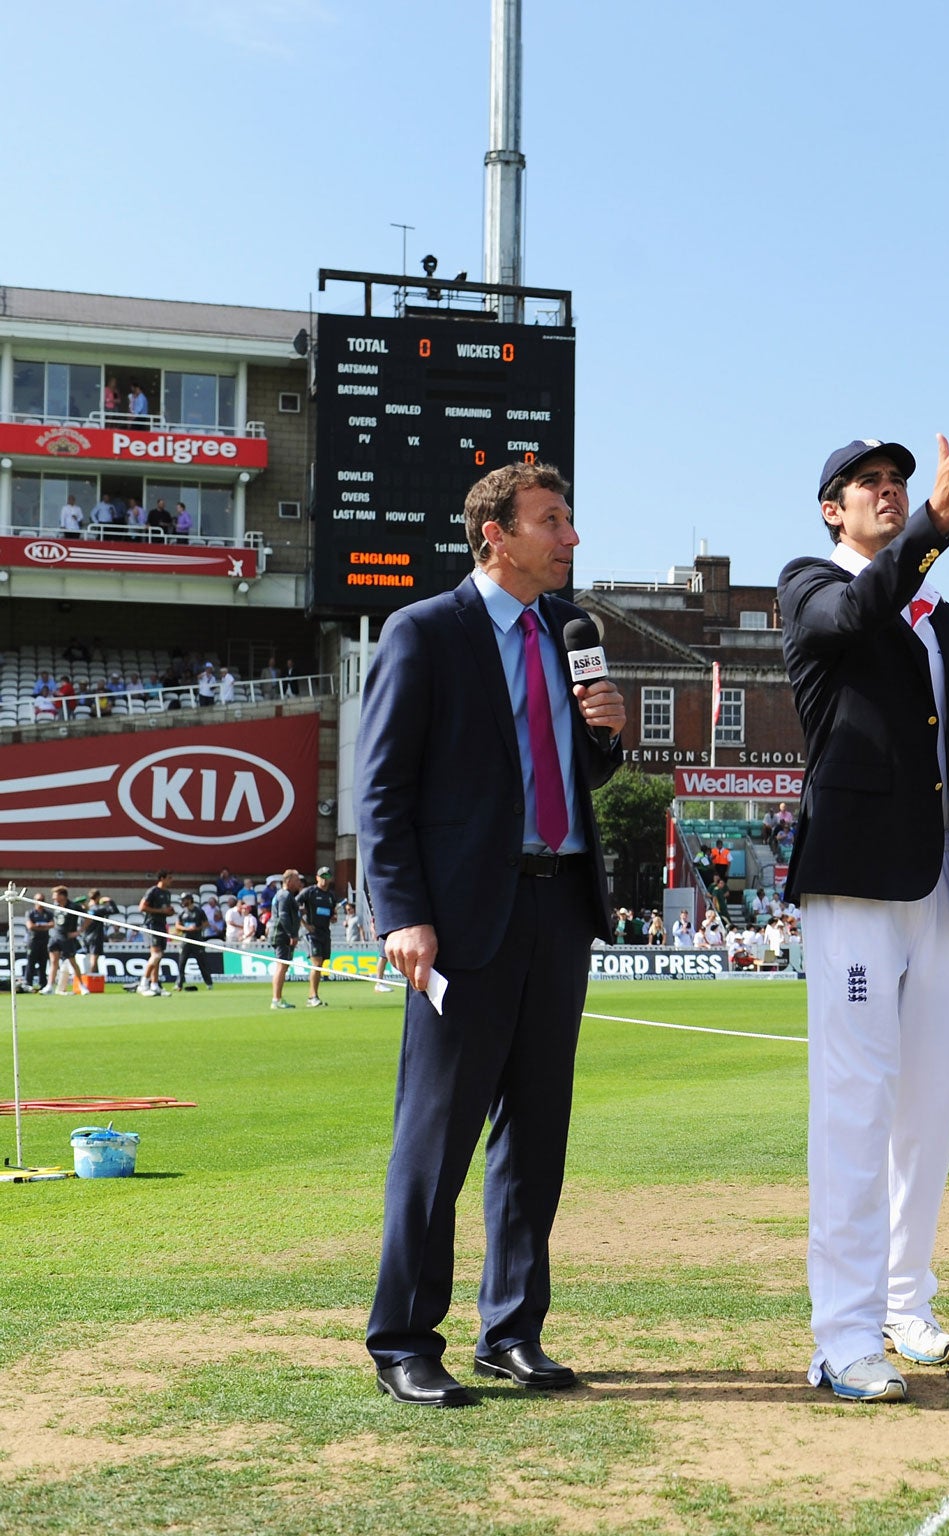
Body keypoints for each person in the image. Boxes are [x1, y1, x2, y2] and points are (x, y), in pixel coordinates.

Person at [357, 462, 624, 1408]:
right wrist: (402, 913)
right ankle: (401, 1340)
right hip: (461, 921)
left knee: (535, 1138)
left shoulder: (569, 634)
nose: (571, 538)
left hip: (559, 910)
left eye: (570, 520)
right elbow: (381, 791)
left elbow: (578, 771)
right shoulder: (423, 633)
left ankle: (510, 1330)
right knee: (436, 1139)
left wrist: (609, 733)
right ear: (495, 536)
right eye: (553, 521)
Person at [777, 434, 949, 1403]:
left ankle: (905, 1302)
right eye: (868, 485)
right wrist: (938, 524)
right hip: (856, 878)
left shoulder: (938, 615)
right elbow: (859, 609)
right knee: (854, 1104)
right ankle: (840, 1335)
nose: (888, 493)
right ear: (832, 509)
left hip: (939, 885)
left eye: (899, 484)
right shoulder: (811, 583)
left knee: (927, 1109)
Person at [301, 867, 339, 1006]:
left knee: (321, 965)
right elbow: (295, 907)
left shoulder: (331, 896)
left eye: (327, 876)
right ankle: (312, 997)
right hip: (312, 934)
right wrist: (305, 925)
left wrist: (333, 917)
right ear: (317, 877)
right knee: (316, 964)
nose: (324, 879)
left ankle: (314, 995)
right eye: (322, 876)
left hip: (325, 933)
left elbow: (332, 913)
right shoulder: (309, 892)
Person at [267, 869, 305, 1010]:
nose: (299, 883)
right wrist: (291, 934)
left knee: (283, 966)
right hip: (281, 935)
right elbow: (283, 915)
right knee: (281, 966)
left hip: (282, 934)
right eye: (296, 880)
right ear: (288, 881)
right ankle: (276, 999)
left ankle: (278, 998)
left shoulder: (285, 895)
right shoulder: (284, 895)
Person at [136, 872, 176, 996]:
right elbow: (142, 907)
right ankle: (143, 984)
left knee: (159, 957)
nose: (171, 880)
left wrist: (169, 912)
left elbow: (165, 910)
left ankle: (154, 985)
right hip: (151, 925)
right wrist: (161, 911)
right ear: (162, 878)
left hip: (161, 925)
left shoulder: (167, 893)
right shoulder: (153, 891)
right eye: (169, 878)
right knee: (156, 955)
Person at [175, 894, 213, 991]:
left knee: (202, 964)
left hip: (197, 940)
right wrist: (186, 928)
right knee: (181, 964)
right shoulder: (182, 913)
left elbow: (206, 924)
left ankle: (209, 984)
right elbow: (177, 926)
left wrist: (196, 928)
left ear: (189, 900)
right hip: (185, 941)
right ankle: (179, 984)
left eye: (184, 900)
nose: (182, 902)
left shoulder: (199, 911)